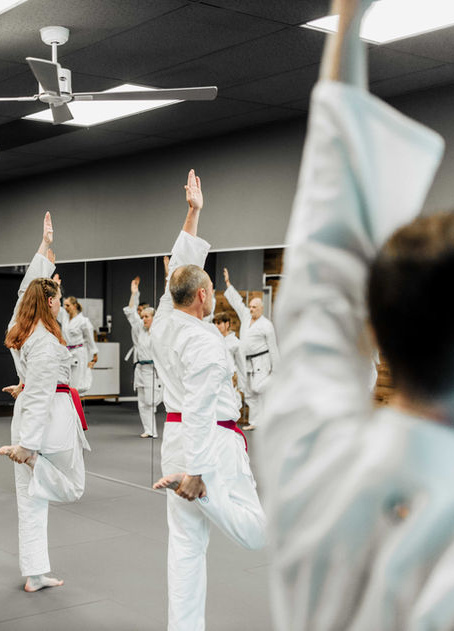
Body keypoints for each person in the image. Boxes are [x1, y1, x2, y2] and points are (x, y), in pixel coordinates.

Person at [260, 1, 454, 629]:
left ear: (379, 328)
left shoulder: (311, 453)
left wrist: (347, 20)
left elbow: (326, 257)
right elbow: (329, 268)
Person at [149, 170, 266, 631]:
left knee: (185, 547)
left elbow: (179, 270)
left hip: (177, 438)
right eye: (211, 289)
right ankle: (208, 495)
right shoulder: (204, 341)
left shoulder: (163, 321)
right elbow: (200, 405)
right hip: (208, 443)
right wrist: (198, 476)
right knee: (256, 532)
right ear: (203, 296)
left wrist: (194, 213)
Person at [0, 211, 91, 593]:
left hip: (32, 415)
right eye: (58, 297)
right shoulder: (48, 343)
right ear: (50, 301)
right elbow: (39, 394)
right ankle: (35, 459)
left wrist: (44, 248)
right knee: (74, 487)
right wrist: (28, 448)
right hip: (47, 421)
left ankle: (35, 573)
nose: (60, 302)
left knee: (30, 500)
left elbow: (24, 295)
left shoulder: (20, 330)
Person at [222, 267, 278, 430]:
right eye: (251, 307)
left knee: (258, 387)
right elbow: (237, 303)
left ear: (261, 309)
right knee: (248, 392)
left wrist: (275, 370)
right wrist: (228, 284)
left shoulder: (266, 325)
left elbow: (273, 348)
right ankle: (255, 422)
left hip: (262, 360)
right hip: (245, 361)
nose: (251, 309)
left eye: (255, 307)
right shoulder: (246, 316)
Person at [123, 276, 162, 438]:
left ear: (154, 318)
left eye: (147, 317)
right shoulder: (140, 329)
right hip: (140, 368)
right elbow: (131, 313)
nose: (143, 319)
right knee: (142, 402)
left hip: (154, 370)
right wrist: (134, 293)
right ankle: (149, 430)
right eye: (143, 316)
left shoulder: (159, 331)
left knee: (151, 401)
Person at [60, 295, 99, 393]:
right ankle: (69, 404)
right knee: (66, 380)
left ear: (74, 305)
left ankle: (76, 403)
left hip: (79, 352)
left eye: (68, 305)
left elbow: (90, 339)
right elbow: (56, 309)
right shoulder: (64, 317)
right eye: (64, 305)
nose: (65, 307)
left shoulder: (83, 321)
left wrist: (94, 353)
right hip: (67, 351)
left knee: (77, 382)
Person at [213, 311, 246, 407]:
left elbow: (241, 366)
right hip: (216, 381)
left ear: (227, 324)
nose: (216, 326)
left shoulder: (235, 343)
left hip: (231, 382)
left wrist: (241, 389)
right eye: (214, 323)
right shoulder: (214, 341)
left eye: (219, 323)